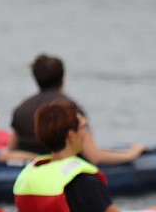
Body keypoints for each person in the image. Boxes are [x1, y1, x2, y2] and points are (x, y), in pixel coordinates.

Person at [11, 99, 156, 212]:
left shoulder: (31, 171)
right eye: (84, 128)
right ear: (71, 136)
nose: (87, 133)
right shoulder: (84, 181)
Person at [9, 54, 144, 165]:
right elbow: (95, 156)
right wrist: (130, 154)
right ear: (63, 79)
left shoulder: (21, 109)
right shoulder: (69, 111)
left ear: (36, 79)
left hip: (28, 166)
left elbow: (11, 150)